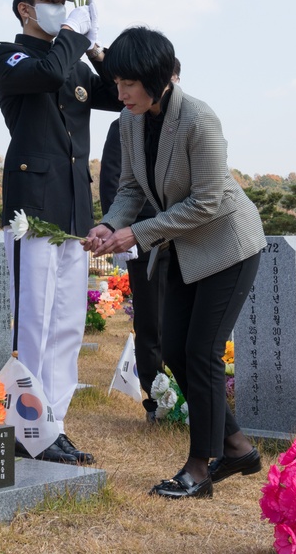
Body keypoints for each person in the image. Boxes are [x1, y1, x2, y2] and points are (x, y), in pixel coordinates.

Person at [84, 27, 266, 499]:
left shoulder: (199, 119)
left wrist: (138, 233)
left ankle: (199, 468)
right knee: (174, 351)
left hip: (228, 243)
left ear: (159, 78)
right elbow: (129, 189)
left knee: (202, 351)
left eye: (128, 83)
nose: (119, 93)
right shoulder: (130, 121)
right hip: (183, 246)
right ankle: (239, 446)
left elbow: (206, 201)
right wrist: (110, 225)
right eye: (116, 82)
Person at [0, 0, 119, 465]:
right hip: (33, 206)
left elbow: (117, 95)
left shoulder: (75, 60)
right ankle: (29, 424)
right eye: (51, 4)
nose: (62, 11)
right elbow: (46, 72)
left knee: (67, 322)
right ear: (26, 8)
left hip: (72, 207)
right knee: (35, 322)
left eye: (67, 5)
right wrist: (70, 35)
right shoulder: (9, 55)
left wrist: (98, 50)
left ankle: (53, 424)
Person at [98, 58, 181, 422]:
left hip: (183, 235)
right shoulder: (124, 125)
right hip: (141, 237)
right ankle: (156, 400)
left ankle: (187, 395)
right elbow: (115, 183)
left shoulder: (186, 122)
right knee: (150, 322)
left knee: (183, 320)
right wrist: (119, 231)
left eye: (175, 79)